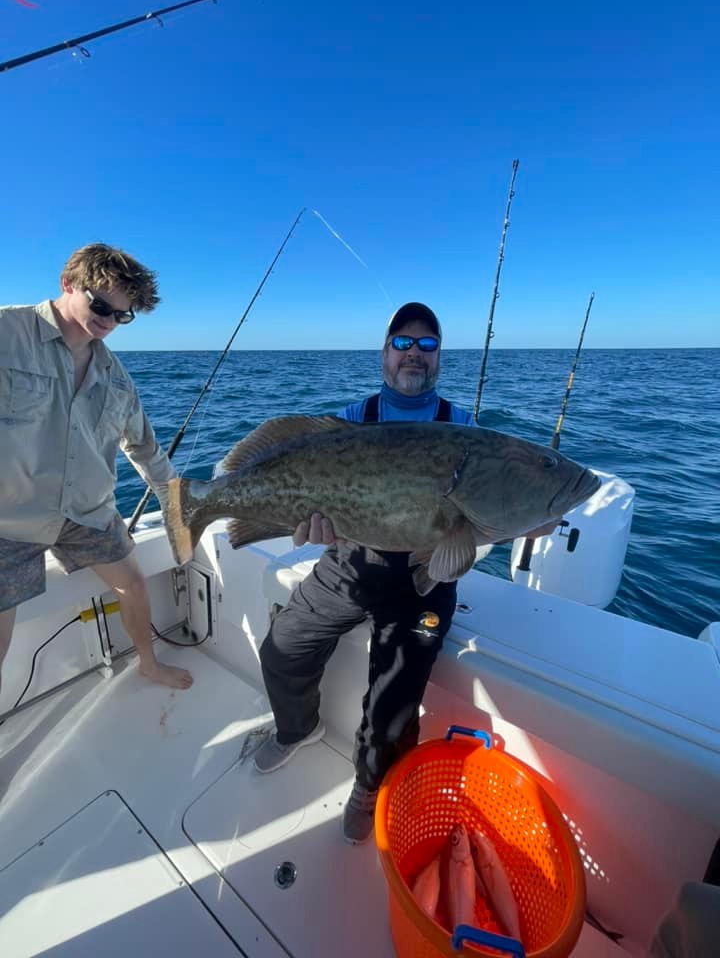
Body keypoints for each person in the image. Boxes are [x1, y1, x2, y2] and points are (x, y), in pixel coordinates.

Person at [253, 302, 555, 844]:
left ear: (438, 359)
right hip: (348, 565)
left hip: (424, 582)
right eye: (402, 342)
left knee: (394, 703)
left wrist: (529, 513)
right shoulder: (350, 419)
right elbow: (310, 485)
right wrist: (311, 524)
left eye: (428, 344)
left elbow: (483, 516)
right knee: (282, 647)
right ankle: (299, 727)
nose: (414, 352)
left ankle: (372, 784)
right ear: (384, 354)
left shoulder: (464, 429)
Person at [0, 243, 193, 699]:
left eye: (122, 316)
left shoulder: (117, 377)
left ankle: (148, 663)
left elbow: (145, 449)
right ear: (68, 284)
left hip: (86, 511)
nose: (108, 320)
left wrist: (178, 503)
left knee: (135, 584)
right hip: (9, 516)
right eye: (101, 305)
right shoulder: (6, 331)